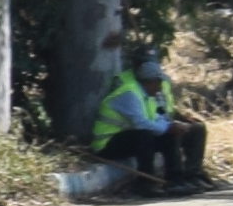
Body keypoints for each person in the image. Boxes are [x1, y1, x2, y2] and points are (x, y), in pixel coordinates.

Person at [85, 31, 206, 197]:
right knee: (146, 136)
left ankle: (176, 181)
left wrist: (173, 125)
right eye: (157, 84)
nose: (160, 88)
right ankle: (145, 184)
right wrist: (169, 127)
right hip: (107, 143)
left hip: (129, 136)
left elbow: (156, 118)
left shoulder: (148, 94)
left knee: (168, 136)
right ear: (149, 82)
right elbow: (140, 123)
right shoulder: (129, 93)